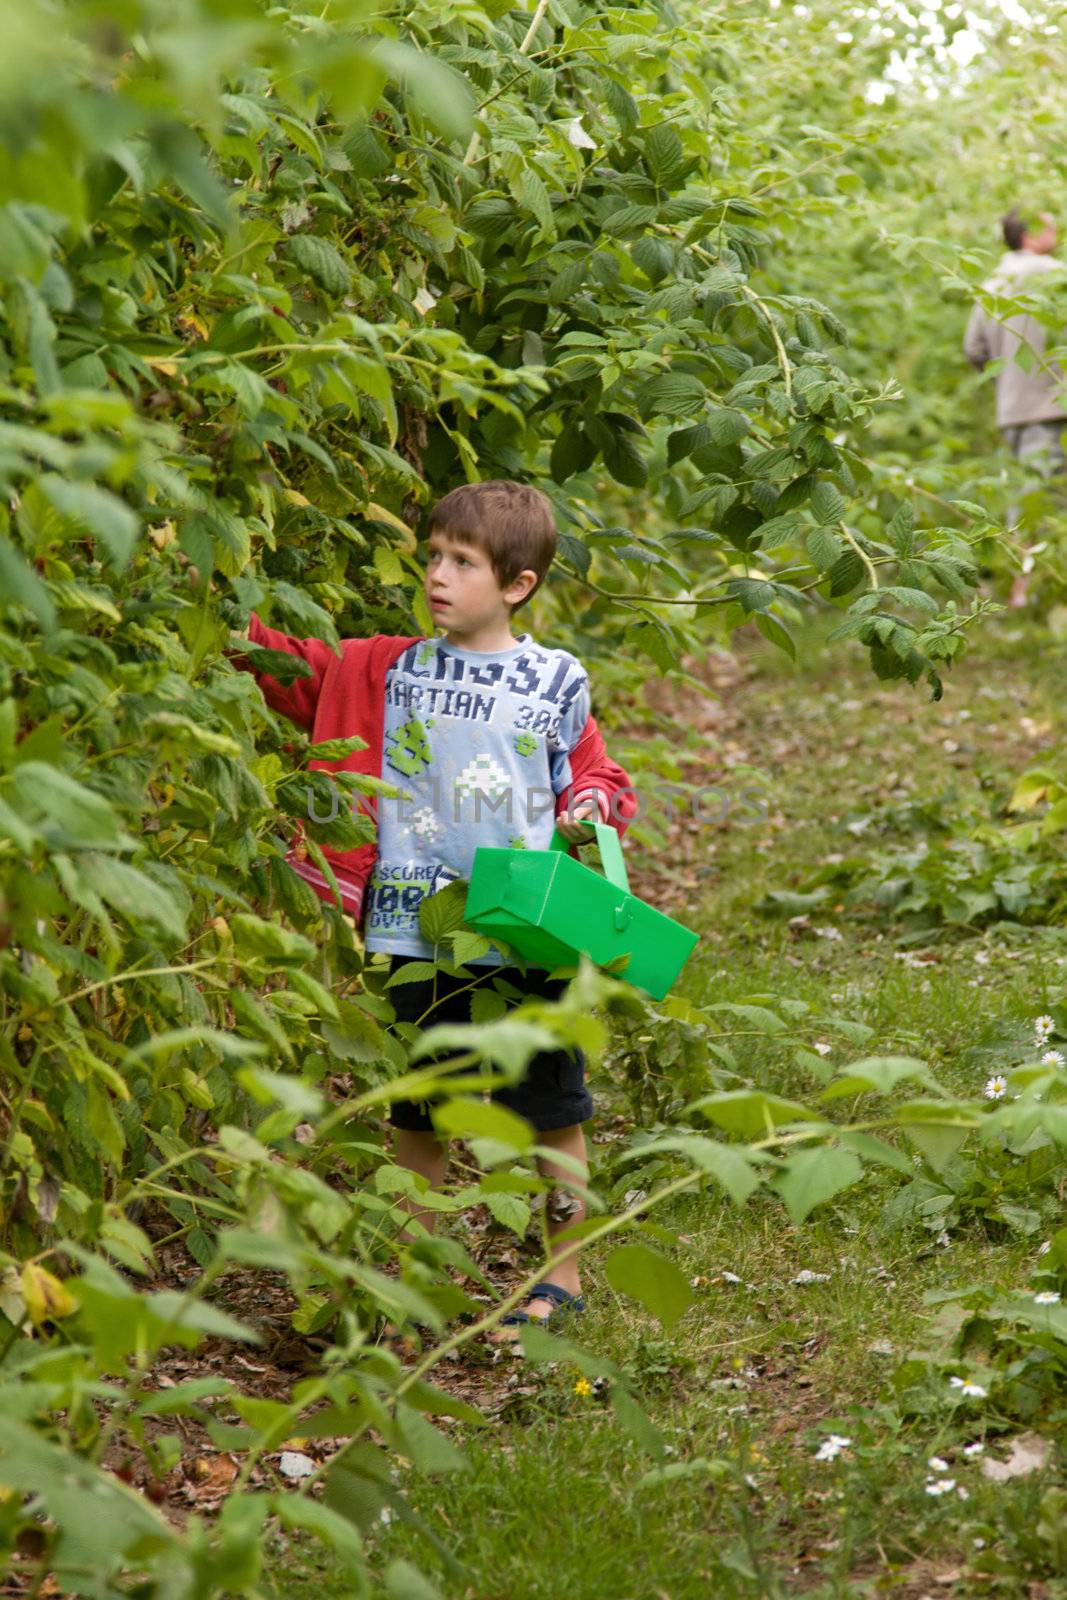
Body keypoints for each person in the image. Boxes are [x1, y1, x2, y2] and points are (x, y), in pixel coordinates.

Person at [232, 480, 637, 1335]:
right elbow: (288, 664)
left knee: (549, 1113)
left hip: (527, 933)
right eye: (433, 558)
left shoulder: (551, 680)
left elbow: (598, 775)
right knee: (418, 1108)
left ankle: (561, 1273)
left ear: (517, 585)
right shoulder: (388, 669)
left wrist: (588, 806)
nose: (438, 577)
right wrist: (221, 619)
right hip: (416, 928)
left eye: (463, 563)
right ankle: (411, 1277)